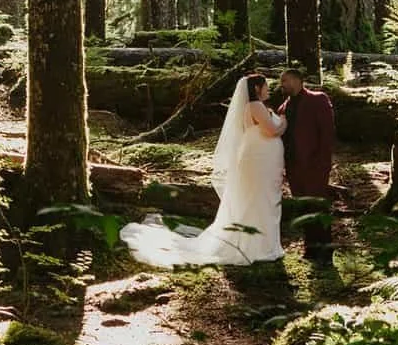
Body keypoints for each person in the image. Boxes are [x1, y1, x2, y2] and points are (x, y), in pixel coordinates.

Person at [119, 74, 285, 266]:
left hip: (260, 159)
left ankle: (261, 243)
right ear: (256, 88)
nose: (268, 89)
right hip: (258, 161)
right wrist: (283, 122)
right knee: (259, 200)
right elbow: (272, 131)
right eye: (265, 86)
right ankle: (258, 246)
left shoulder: (256, 107)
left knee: (258, 200)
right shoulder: (255, 106)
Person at [277, 64, 336, 260]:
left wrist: (323, 162)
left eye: (284, 80)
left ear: (296, 80)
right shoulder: (283, 106)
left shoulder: (318, 99)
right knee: (303, 207)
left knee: (318, 206)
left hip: (315, 166)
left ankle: (326, 251)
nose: (281, 84)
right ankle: (310, 249)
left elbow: (327, 133)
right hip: (294, 167)